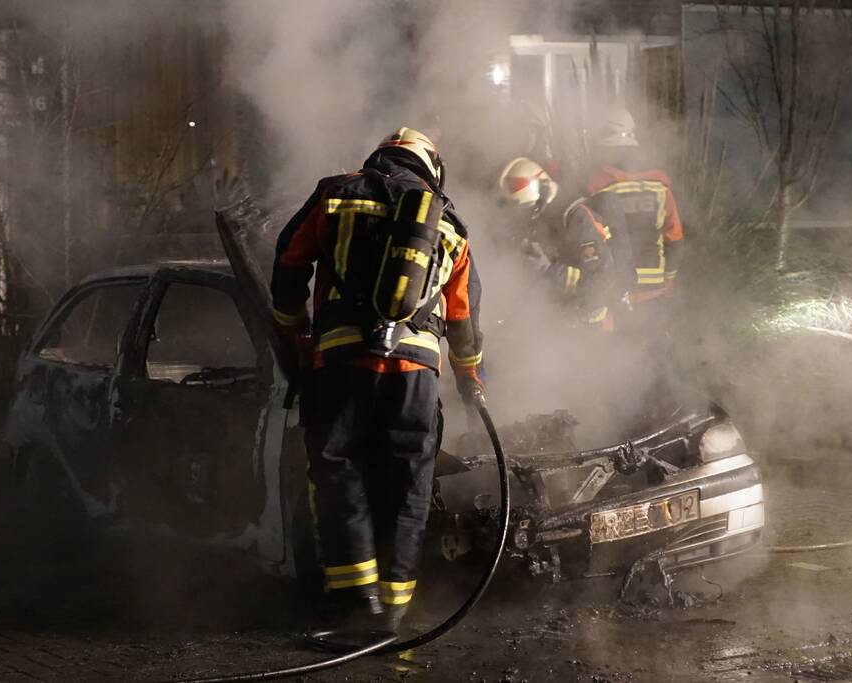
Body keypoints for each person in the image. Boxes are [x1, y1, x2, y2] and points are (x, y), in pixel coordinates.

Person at [269, 127, 485, 634]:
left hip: (342, 362)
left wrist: (295, 335)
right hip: (416, 374)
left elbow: (288, 265)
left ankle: (354, 599)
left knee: (337, 468)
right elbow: (464, 316)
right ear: (431, 167)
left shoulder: (335, 193)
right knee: (410, 481)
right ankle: (394, 607)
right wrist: (470, 378)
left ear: (379, 157)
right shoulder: (449, 221)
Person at [496, 156, 636, 331]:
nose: (526, 216)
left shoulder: (578, 219)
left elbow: (601, 281)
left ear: (542, 196)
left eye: (530, 209)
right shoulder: (544, 216)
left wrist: (549, 269)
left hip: (590, 325)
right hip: (561, 319)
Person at [584, 107, 685, 312]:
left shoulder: (597, 188)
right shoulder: (659, 188)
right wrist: (668, 283)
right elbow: (674, 240)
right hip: (654, 289)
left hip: (615, 290)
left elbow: (589, 239)